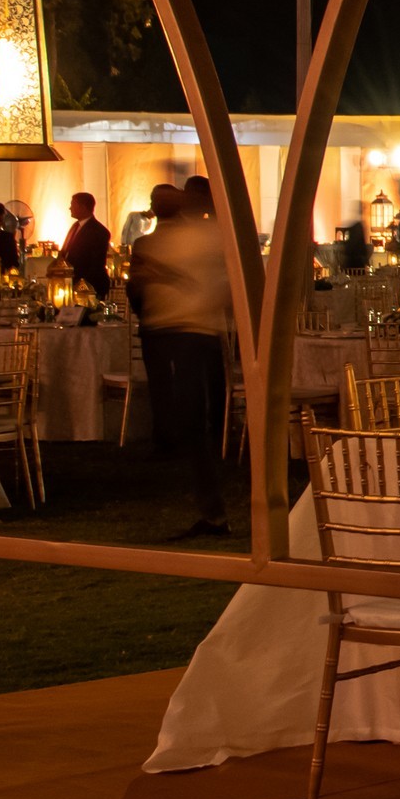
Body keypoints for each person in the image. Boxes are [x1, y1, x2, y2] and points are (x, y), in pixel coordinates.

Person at [127, 181, 233, 537]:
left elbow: (139, 286)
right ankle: (213, 504)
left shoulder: (182, 239)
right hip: (191, 332)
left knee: (190, 418)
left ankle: (214, 509)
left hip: (183, 332)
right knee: (194, 417)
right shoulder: (205, 235)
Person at [59, 191, 113, 301]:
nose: (70, 208)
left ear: (83, 207)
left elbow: (96, 264)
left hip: (88, 285)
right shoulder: (75, 227)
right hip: (70, 284)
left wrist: (80, 284)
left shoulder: (99, 231)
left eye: (73, 205)